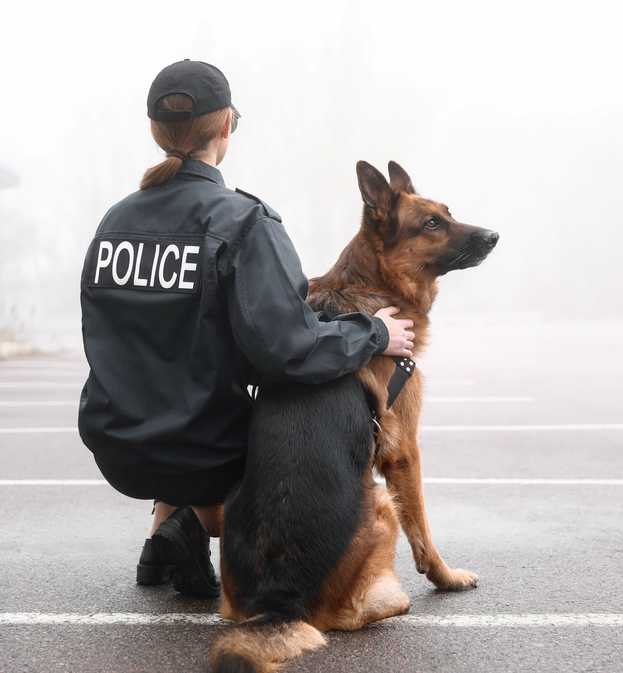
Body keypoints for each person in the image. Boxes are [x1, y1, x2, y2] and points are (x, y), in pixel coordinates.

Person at [77, 60, 415, 598]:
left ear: (155, 130)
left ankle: (163, 536)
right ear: (226, 127)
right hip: (205, 454)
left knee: (180, 386)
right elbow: (290, 350)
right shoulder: (243, 221)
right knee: (289, 413)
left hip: (115, 444)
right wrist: (373, 334)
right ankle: (203, 525)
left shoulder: (115, 221)